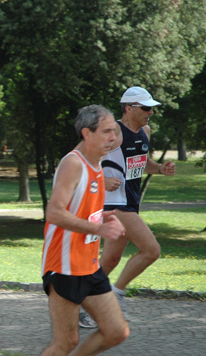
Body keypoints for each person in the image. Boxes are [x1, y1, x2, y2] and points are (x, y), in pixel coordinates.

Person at [78, 87, 175, 329]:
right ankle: (116, 296)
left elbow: (141, 163)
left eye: (152, 107)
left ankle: (81, 303)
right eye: (145, 108)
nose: (150, 112)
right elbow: (79, 161)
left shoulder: (145, 131)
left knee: (110, 259)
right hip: (114, 205)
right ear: (128, 108)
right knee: (151, 250)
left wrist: (160, 169)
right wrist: (101, 180)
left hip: (130, 202)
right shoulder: (113, 132)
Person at [41, 105, 129, 356]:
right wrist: (98, 227)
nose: (113, 137)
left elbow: (78, 208)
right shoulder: (74, 164)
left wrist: (102, 216)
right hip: (64, 266)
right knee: (65, 342)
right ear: (87, 133)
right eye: (107, 131)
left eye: (114, 131)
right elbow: (54, 213)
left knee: (116, 331)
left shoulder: (96, 163)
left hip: (89, 265)